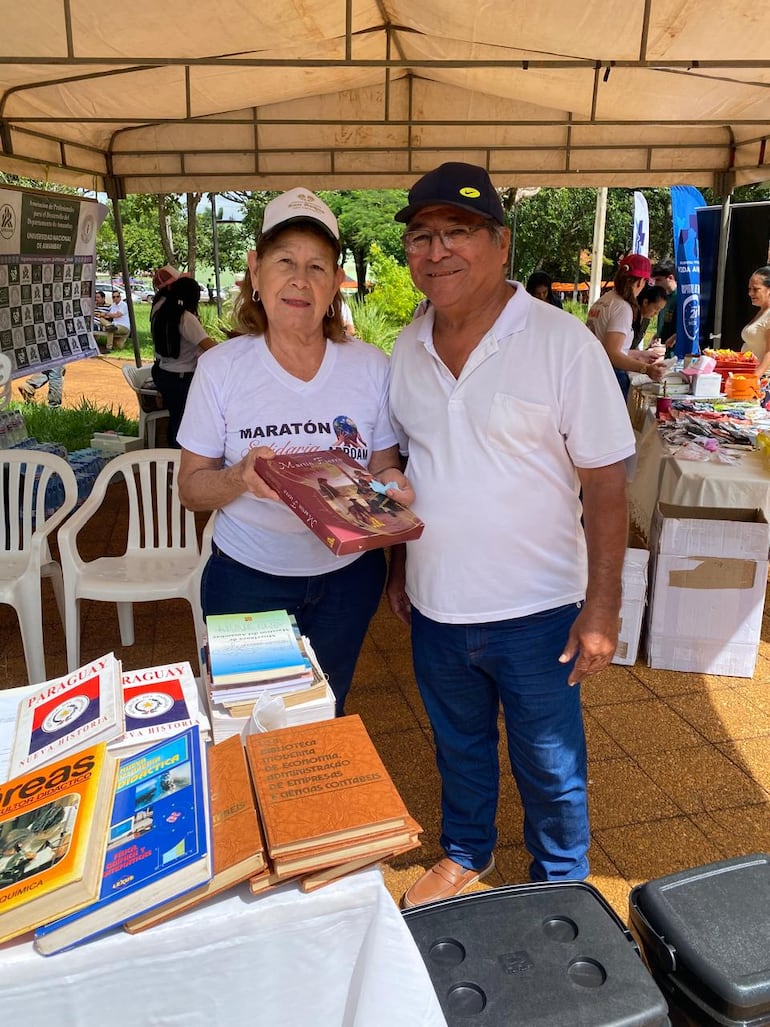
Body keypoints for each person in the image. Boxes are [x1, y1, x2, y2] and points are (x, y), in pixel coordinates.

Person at [385, 161, 636, 908]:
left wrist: (603, 606)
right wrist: (399, 569)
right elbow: (405, 465)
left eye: (457, 231)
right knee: (458, 746)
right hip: (436, 605)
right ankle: (467, 850)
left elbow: (607, 485)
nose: (437, 250)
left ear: (501, 243)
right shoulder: (406, 347)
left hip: (539, 611)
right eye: (422, 236)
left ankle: (560, 882)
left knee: (550, 764)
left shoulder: (561, 343)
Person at [176, 188, 413, 715]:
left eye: (317, 266)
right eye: (285, 261)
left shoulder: (370, 365)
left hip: (348, 579)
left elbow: (383, 463)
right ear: (255, 271)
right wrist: (238, 477)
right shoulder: (222, 368)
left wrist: (393, 484)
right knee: (250, 723)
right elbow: (190, 488)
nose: (300, 279)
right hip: (247, 581)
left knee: (324, 712)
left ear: (336, 282)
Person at [585, 254, 666, 398]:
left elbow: (609, 347)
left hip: (594, 372)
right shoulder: (622, 307)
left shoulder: (605, 300)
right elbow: (612, 354)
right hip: (610, 376)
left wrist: (639, 355)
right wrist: (646, 369)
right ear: (641, 282)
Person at [150, 276, 216, 447]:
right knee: (184, 422)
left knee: (176, 418)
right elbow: (210, 348)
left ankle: (172, 456)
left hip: (164, 372)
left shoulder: (159, 312)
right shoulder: (185, 318)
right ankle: (178, 456)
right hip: (182, 376)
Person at [740, 266, 770, 377]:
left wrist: (754, 378)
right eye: (749, 289)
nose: (750, 293)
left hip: (763, 379)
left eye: (756, 289)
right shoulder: (762, 312)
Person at [652, 259, 677, 355]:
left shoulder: (681, 298)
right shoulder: (665, 297)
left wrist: (675, 337)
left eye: (658, 280)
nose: (655, 284)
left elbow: (688, 325)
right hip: (663, 350)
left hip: (675, 352)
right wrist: (656, 335)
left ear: (670, 278)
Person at [631, 284, 667, 349]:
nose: (656, 313)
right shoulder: (631, 315)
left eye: (660, 310)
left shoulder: (645, 318)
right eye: (656, 308)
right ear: (645, 302)